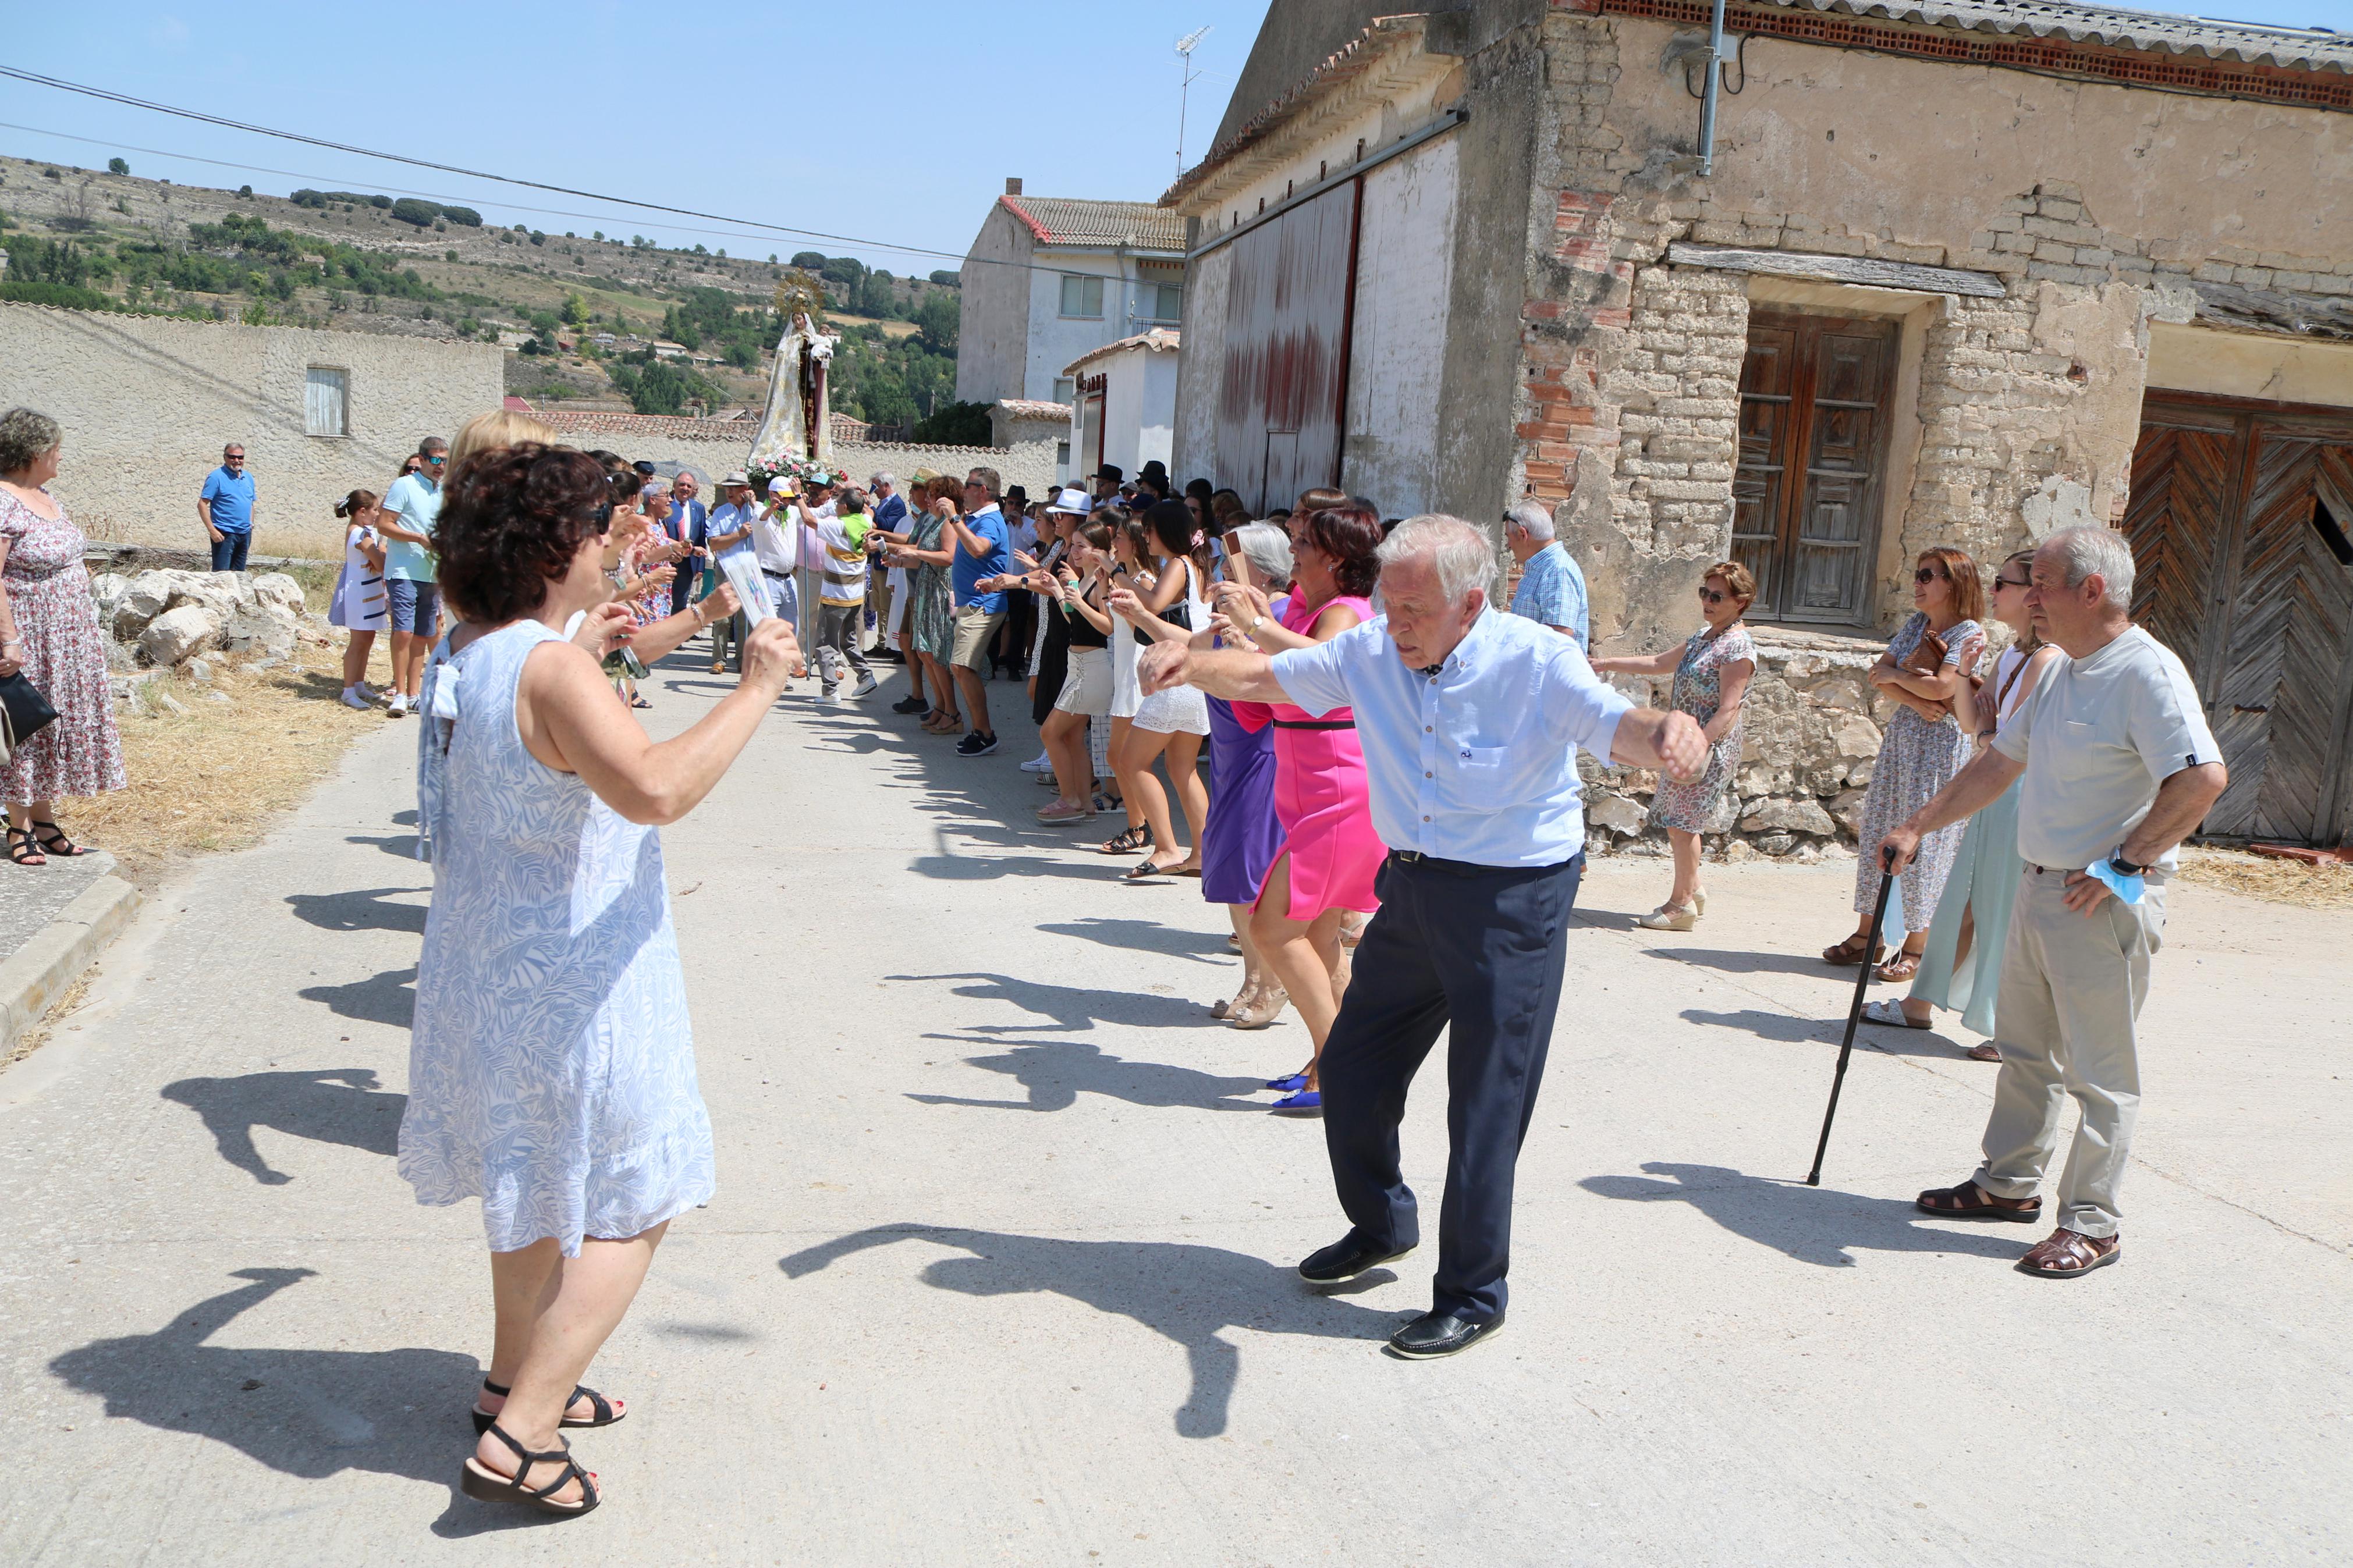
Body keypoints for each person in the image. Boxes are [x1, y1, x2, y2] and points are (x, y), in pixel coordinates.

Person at [1142, 515, 1706, 1357]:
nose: (1393, 621)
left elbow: (1616, 723)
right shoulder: (1369, 651)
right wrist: (1187, 660)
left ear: (1470, 602)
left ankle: (1472, 1291)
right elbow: (1263, 676)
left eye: (1412, 607)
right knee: (1353, 1066)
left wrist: (1664, 732)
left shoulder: (1534, 660)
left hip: (1514, 900)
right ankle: (1380, 1223)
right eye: (1386, 603)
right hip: (1411, 885)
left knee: (1484, 1101)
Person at [402, 442, 797, 1520]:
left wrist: (602, 628)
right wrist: (758, 685)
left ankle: (507, 1384)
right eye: (596, 528)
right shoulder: (553, 666)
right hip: (578, 984)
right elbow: (656, 789)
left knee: (530, 1190)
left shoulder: (474, 648)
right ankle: (525, 1432)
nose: (611, 539)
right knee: (640, 1198)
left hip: (496, 970)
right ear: (548, 549)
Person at [1884, 526, 2225, 1278]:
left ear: (2090, 590)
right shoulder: (2062, 671)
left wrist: (2125, 860)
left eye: (2039, 582)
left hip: (2096, 899)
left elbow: (2201, 778)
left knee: (2099, 1073)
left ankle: (2091, 1222)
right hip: (2038, 886)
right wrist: (1915, 823)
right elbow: (2000, 761)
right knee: (2024, 1052)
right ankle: (2006, 1184)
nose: (2027, 596)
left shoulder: (2145, 672)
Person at [1197, 503, 1385, 1103]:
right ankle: (1328, 1061)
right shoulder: (1304, 611)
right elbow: (1265, 693)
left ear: (1332, 558)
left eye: (1303, 543)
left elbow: (1312, 669)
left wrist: (1255, 629)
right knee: (1320, 935)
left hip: (1337, 787)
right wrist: (1235, 643)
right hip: (1310, 787)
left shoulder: (1345, 615)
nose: (1293, 552)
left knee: (1272, 928)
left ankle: (1340, 1063)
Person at [1865, 547, 2061, 1052]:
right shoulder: (2011, 654)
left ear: (2031, 594)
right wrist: (1966, 685)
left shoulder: (2047, 658)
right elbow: (1974, 723)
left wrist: (1978, 714)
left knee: (2003, 909)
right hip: (1991, 784)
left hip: (2016, 791)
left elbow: (2004, 736)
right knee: (1963, 902)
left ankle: (2007, 1027)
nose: (1993, 592)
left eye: (2004, 583)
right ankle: (1918, 1005)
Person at [1826, 546, 1986, 980]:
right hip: (1905, 739)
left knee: (1926, 840)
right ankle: (1868, 935)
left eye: (1926, 575)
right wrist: (1913, 696)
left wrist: (1907, 685)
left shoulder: (1968, 633)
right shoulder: (1917, 624)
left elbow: (1945, 688)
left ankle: (1917, 945)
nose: (1917, 583)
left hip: (1939, 747)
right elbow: (1879, 673)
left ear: (1952, 583)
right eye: (1917, 574)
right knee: (1881, 827)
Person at [1590, 561, 1757, 930]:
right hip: (1684, 743)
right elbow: (1659, 662)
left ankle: (1680, 906)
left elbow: (1729, 708)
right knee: (1676, 822)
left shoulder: (1737, 648)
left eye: (1717, 596)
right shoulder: (1705, 636)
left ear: (1741, 601)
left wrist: (1699, 746)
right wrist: (1605, 662)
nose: (1707, 602)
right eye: (1704, 593)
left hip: (1707, 749)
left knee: (1684, 825)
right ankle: (1693, 889)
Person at [0, 408, 126, 866]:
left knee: (52, 726)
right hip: (31, 635)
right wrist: (8, 640)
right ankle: (20, 827)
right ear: (34, 452)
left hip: (69, 638)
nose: (60, 457)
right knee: (25, 728)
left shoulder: (45, 494)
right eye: (56, 449)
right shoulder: (3, 499)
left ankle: (46, 821)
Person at [1199, 521, 1293, 1026]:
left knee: (1252, 873)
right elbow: (1190, 645)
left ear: (1253, 566)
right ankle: (1251, 978)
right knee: (1232, 875)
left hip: (1263, 750)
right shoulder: (1234, 614)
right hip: (1228, 751)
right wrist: (1142, 616)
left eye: (1226, 562)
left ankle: (1272, 983)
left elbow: (1290, 674)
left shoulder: (1275, 616)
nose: (1216, 571)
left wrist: (1252, 636)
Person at [1106, 500, 1215, 880]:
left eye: (1148, 530)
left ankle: (1167, 847)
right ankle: (1201, 853)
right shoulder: (1198, 564)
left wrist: (1123, 585)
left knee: (1131, 761)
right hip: (1195, 678)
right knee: (1182, 769)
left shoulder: (1176, 563)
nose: (1144, 536)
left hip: (1174, 674)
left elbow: (1154, 604)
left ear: (1163, 531)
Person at [1033, 517, 1116, 823]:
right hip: (1078, 666)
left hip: (1091, 670)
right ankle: (1085, 802)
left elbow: (1108, 627)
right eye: (1075, 544)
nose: (1075, 550)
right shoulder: (1085, 581)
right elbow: (1077, 626)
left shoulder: (1101, 582)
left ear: (1098, 551)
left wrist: (1078, 602)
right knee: (1071, 738)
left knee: (1050, 732)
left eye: (1082, 546)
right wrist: (1058, 591)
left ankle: (1069, 798)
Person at [378, 436, 450, 717]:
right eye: (435, 460)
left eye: (444, 460)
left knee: (423, 634)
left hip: (432, 573)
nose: (440, 466)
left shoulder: (443, 492)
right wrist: (419, 538)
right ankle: (398, 693)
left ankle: (413, 694)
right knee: (404, 632)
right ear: (421, 460)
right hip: (403, 570)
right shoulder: (404, 485)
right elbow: (384, 524)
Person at [943, 467, 1013, 756]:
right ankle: (980, 730)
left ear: (982, 490)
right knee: (961, 667)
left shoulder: (990, 521)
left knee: (962, 666)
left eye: (968, 486)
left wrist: (954, 517)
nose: (963, 491)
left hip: (984, 605)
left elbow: (979, 549)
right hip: (972, 604)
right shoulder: (979, 518)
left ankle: (984, 733)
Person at [801, 485, 878, 703]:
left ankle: (830, 690)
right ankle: (865, 676)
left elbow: (808, 519)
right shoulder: (866, 522)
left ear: (844, 507)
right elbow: (869, 510)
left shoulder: (838, 525)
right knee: (849, 640)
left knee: (825, 643)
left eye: (837, 503)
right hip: (855, 595)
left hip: (836, 594)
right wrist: (850, 491)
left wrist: (798, 496)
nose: (835, 506)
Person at [329, 489, 391, 710]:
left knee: (368, 638)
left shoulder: (367, 532)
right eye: (375, 510)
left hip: (371, 590)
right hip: (359, 593)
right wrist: (381, 552)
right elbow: (380, 562)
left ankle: (359, 684)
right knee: (357, 642)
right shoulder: (359, 535)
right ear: (362, 511)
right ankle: (348, 691)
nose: (377, 514)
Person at [1503, 499, 1589, 646]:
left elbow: (1558, 638)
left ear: (1522, 534)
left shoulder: (1557, 570)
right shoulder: (1544, 567)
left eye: (1508, 537)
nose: (1508, 545)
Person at [704, 473, 760, 674]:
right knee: (722, 615)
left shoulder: (755, 510)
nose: (729, 491)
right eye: (728, 487)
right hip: (726, 567)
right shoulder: (721, 512)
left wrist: (754, 504)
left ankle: (743, 659)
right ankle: (719, 659)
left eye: (735, 487)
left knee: (746, 617)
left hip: (748, 568)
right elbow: (715, 543)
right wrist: (738, 535)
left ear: (745, 489)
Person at [197, 441, 256, 573]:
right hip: (224, 534)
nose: (237, 460)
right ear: (225, 458)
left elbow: (251, 503)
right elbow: (202, 504)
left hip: (244, 534)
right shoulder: (216, 477)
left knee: (239, 575)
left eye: (240, 457)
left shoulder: (249, 478)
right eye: (232, 457)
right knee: (222, 577)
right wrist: (213, 531)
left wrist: (251, 525)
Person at [665, 470, 707, 620]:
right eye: (682, 484)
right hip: (666, 559)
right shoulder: (666, 505)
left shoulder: (698, 509)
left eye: (689, 486)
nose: (685, 488)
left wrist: (700, 566)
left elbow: (702, 537)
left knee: (681, 602)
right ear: (675, 486)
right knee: (663, 599)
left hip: (688, 562)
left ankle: (675, 640)